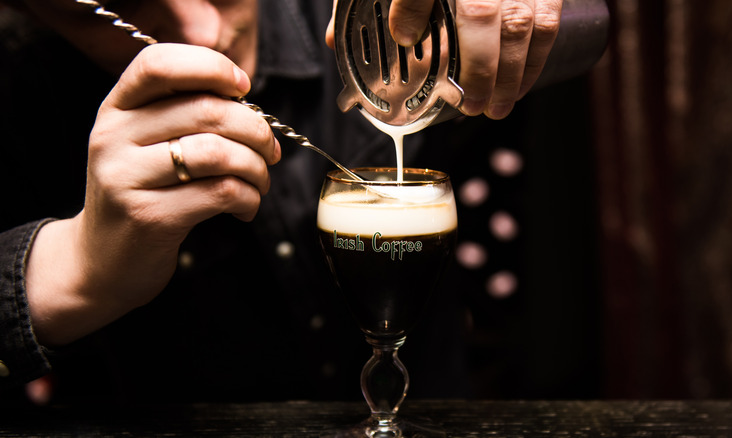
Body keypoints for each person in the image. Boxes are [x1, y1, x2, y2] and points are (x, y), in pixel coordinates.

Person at [0, 0, 564, 403]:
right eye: (112, 7)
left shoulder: (373, 19)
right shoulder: (19, 90)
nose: (201, 27)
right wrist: (73, 268)